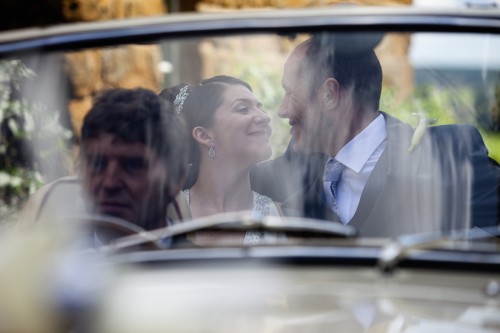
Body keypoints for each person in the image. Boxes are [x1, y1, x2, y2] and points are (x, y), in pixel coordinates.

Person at [251, 33, 500, 237]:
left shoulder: (448, 154)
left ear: (329, 94)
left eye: (291, 94)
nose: (282, 110)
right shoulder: (296, 169)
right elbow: (230, 182)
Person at [160, 75, 281, 245]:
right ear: (204, 135)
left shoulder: (282, 217)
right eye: (242, 109)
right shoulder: (166, 215)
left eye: (260, 108)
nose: (265, 117)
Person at [79, 87, 189, 231]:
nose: (109, 183)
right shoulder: (56, 253)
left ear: (175, 179)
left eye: (133, 165)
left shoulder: (200, 254)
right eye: (97, 164)